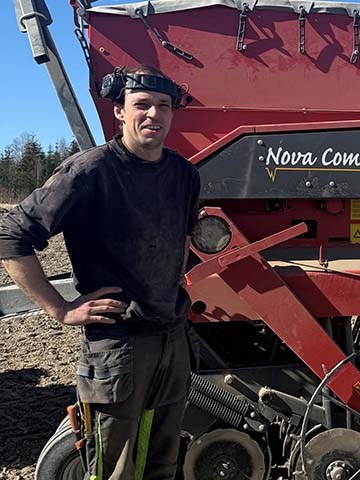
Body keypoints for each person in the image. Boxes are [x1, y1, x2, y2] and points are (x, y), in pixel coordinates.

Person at [0, 65, 200, 479]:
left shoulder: (184, 174)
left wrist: (171, 282)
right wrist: (61, 309)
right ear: (120, 113)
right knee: (112, 468)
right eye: (141, 104)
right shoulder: (90, 172)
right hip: (119, 345)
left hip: (172, 338)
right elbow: (10, 236)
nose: (153, 115)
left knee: (164, 461)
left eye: (163, 106)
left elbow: (181, 237)